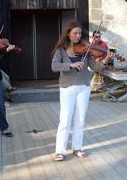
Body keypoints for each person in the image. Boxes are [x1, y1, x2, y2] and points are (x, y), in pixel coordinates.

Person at [51, 21, 113, 161]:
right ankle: (60, 150)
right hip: (67, 87)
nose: (78, 36)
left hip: (84, 87)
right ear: (68, 34)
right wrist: (71, 64)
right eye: (75, 33)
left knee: (80, 119)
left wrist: (105, 61)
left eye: (79, 33)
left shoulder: (86, 49)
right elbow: (54, 66)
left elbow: (96, 67)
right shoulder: (61, 50)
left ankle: (77, 147)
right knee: (65, 120)